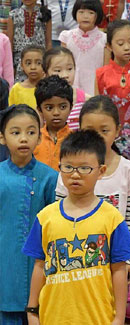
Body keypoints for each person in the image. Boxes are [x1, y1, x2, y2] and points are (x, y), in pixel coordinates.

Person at [22, 129, 130, 324]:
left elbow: (119, 270)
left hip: (98, 318)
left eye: (84, 168)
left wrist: (119, 317)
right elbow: (39, 265)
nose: (75, 175)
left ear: (101, 171)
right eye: (68, 167)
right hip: (54, 317)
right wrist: (32, 311)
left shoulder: (112, 218)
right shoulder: (45, 217)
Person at [55, 95, 130, 284]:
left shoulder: (129, 171)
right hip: (75, 259)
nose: (97, 137)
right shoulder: (69, 170)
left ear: (117, 131)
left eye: (104, 131)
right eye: (89, 131)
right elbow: (59, 213)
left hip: (115, 262)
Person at [0, 105, 57, 325]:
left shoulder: (50, 177)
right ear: (3, 138)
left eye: (31, 132)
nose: (24, 139)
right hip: (5, 266)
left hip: (39, 267)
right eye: (16, 132)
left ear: (39, 136)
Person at [96, 20, 130, 160]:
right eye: (120, 44)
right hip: (109, 135)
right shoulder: (101, 74)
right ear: (109, 46)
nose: (127, 47)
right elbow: (97, 107)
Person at [59, 0, 108, 96]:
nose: (85, 16)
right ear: (75, 13)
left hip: (95, 89)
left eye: (91, 13)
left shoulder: (104, 39)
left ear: (98, 15)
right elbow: (62, 65)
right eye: (81, 12)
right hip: (71, 88)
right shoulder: (66, 36)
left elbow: (106, 69)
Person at [42, 47, 91, 131]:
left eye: (69, 69)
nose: (65, 75)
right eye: (58, 70)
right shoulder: (42, 100)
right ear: (45, 74)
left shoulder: (86, 100)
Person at [33, 76, 72, 170]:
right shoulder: (34, 139)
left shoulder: (76, 140)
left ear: (71, 107)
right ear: (39, 109)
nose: (56, 113)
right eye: (49, 108)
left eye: (62, 107)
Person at [7, 0, 51, 82]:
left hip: (40, 62)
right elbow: (10, 43)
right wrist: (11, 66)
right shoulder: (13, 15)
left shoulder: (45, 14)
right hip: (19, 62)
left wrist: (48, 64)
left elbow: (48, 42)